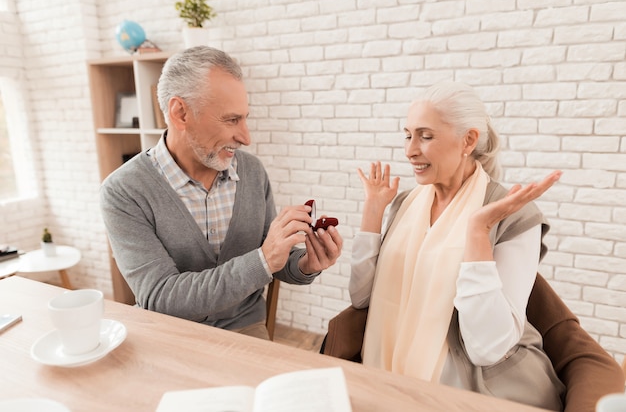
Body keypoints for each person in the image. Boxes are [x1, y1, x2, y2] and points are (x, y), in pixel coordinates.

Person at [100, 46, 343, 340]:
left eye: (245, 118)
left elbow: (274, 263)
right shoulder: (124, 191)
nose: (246, 137)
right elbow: (160, 297)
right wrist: (264, 259)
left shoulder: (252, 173)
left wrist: (305, 264)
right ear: (180, 113)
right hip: (169, 336)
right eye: (231, 120)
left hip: (245, 329)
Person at [349, 81, 565, 409]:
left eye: (426, 135)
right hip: (386, 375)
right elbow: (362, 298)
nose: (410, 150)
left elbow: (487, 348)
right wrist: (373, 212)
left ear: (468, 140)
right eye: (408, 135)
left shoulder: (511, 214)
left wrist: (477, 231)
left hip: (471, 392)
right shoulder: (404, 204)